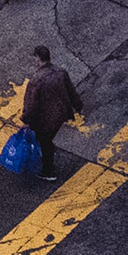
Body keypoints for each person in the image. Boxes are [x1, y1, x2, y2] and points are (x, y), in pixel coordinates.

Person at [22, 44, 81, 180]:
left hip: (45, 119)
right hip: (61, 114)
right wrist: (78, 106)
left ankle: (48, 171)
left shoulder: (36, 81)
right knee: (46, 139)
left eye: (35, 58)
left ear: (38, 59)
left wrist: (26, 121)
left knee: (44, 141)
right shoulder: (61, 72)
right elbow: (71, 91)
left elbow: (31, 105)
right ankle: (46, 154)